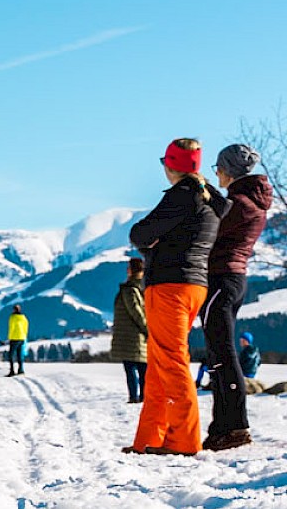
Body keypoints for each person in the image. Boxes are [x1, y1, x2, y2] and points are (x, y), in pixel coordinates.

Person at [125, 138, 226, 455]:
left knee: (170, 361)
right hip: (195, 284)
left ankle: (183, 439)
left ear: (171, 166)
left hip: (169, 285)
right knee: (159, 363)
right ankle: (149, 439)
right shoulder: (210, 198)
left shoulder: (183, 195)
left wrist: (151, 245)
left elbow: (140, 233)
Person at [201, 144, 274, 451]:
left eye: (218, 168)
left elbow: (206, 231)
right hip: (232, 279)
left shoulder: (239, 203)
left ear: (227, 170)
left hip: (222, 278)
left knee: (222, 353)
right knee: (219, 354)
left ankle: (235, 427)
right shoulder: (247, 201)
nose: (216, 173)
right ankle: (223, 427)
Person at [110, 259, 148, 403]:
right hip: (137, 336)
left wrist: (146, 328)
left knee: (132, 368)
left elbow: (136, 312)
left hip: (130, 337)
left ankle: (135, 397)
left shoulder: (130, 290)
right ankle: (143, 396)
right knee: (142, 368)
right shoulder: (138, 289)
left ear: (130, 271)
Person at [4, 305, 29, 376]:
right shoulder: (24, 317)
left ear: (14, 310)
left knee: (11, 355)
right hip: (22, 338)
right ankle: (21, 370)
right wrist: (24, 336)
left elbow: (11, 328)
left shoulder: (12, 317)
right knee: (19, 354)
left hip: (14, 338)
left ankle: (12, 371)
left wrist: (9, 337)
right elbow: (26, 327)